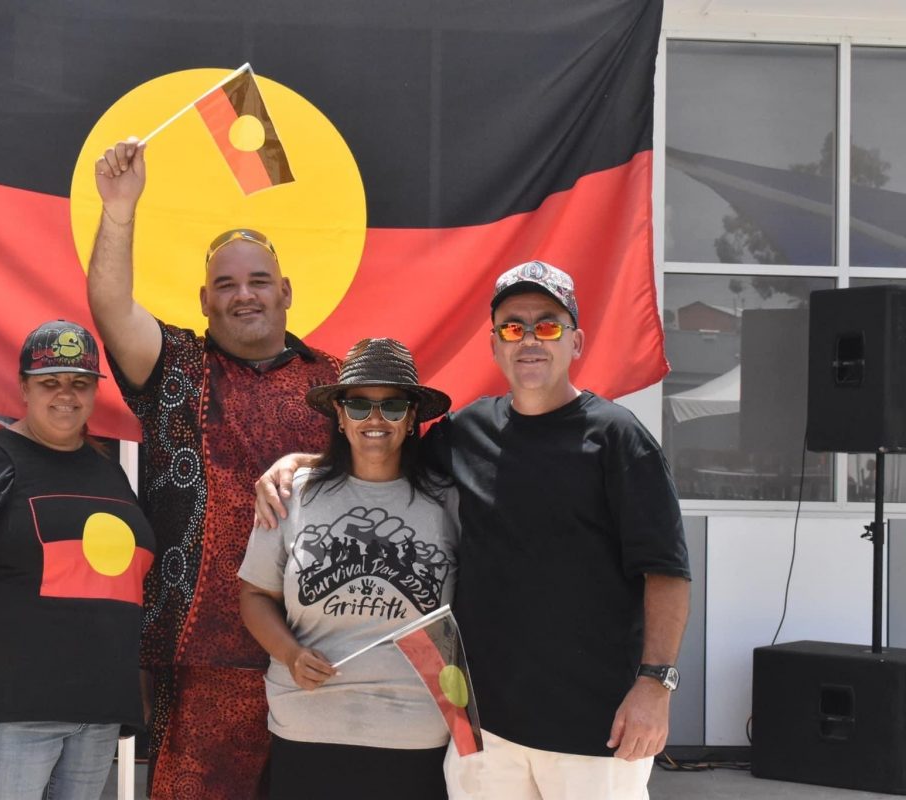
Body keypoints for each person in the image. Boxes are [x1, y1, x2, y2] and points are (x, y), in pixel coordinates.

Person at [255, 261, 692, 800]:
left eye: (547, 325)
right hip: (481, 731)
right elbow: (379, 449)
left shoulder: (619, 440)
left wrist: (656, 685)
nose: (529, 339)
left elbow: (667, 572)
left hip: (594, 727)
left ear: (576, 341)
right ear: (494, 344)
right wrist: (302, 464)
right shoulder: (465, 433)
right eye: (513, 326)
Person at [87, 138, 340, 798]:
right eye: (226, 285)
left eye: (258, 281)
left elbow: (393, 476)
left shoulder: (339, 385)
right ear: (205, 300)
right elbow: (112, 309)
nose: (244, 295)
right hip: (199, 654)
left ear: (285, 291)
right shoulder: (176, 367)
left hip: (324, 647)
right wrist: (119, 210)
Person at [0, 320, 155, 800]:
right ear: (23, 387)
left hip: (96, 708)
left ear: (96, 390)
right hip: (11, 710)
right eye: (49, 383)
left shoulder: (108, 470)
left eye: (79, 383)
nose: (66, 396)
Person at [238, 338, 459, 800]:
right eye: (359, 405)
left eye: (392, 405)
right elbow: (255, 595)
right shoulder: (293, 492)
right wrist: (291, 653)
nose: (374, 419)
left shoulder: (450, 500)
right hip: (307, 725)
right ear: (338, 415)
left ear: (413, 416)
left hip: (416, 731)